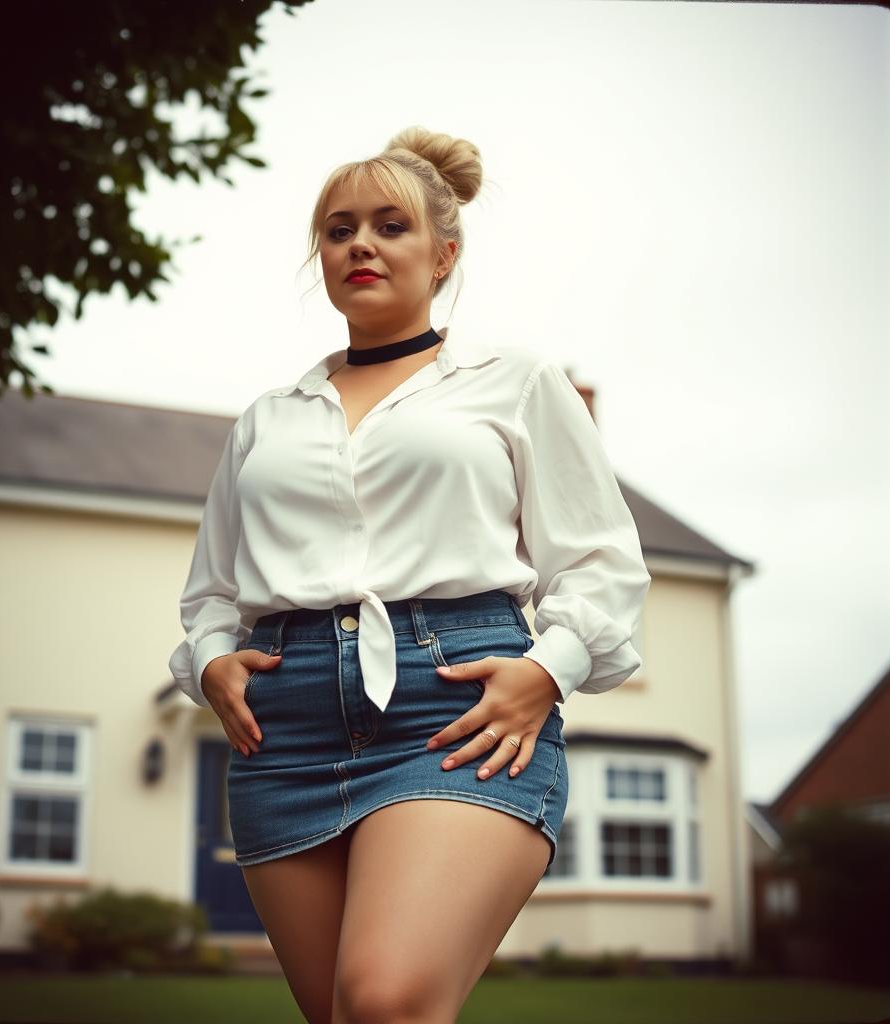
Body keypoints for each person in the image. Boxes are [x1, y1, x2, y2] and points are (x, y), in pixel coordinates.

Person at [169, 125, 651, 1024]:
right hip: (283, 733)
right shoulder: (268, 419)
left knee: (385, 999)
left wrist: (548, 671)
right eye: (340, 227)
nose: (360, 243)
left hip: (457, 706)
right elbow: (213, 591)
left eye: (390, 225)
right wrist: (209, 660)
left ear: (444, 253)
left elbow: (599, 560)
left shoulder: (515, 382)